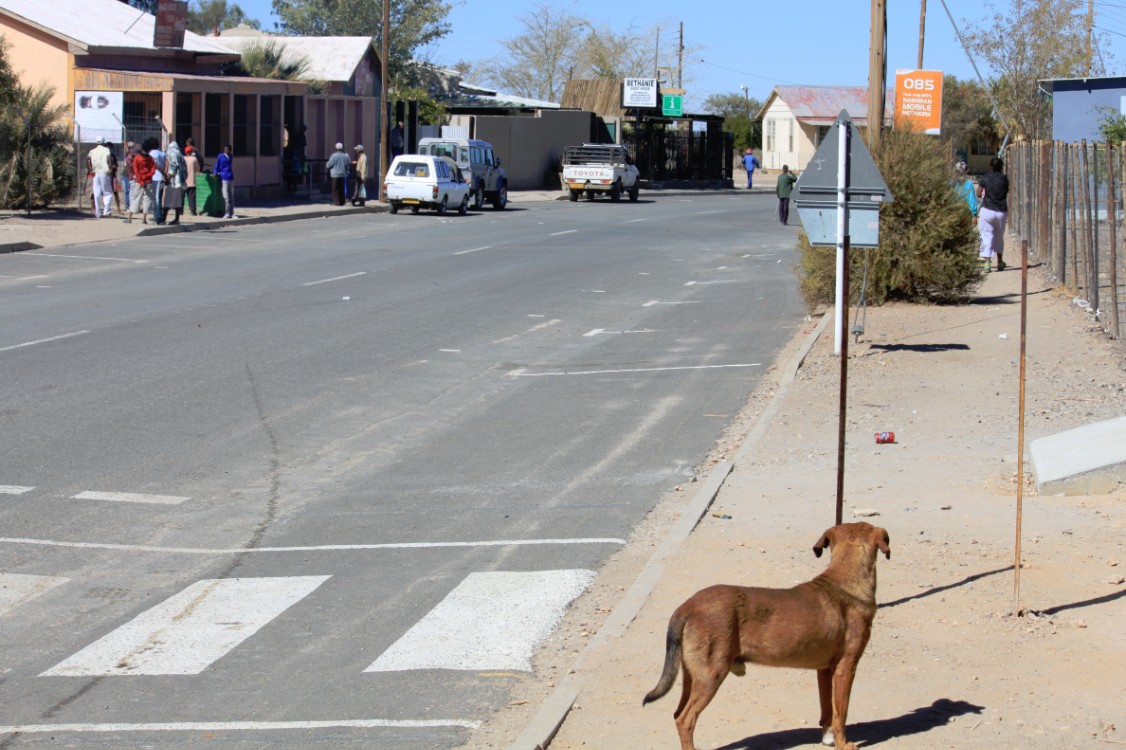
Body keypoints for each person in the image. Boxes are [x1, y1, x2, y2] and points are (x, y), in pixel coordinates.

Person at [976, 156, 1010, 272]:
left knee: (986, 235)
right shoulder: (1004, 179)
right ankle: (1000, 262)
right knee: (999, 236)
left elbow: (978, 193)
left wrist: (984, 193)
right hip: (1001, 210)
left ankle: (987, 262)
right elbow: (1006, 191)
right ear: (1001, 167)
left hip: (987, 210)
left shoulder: (985, 178)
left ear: (991, 166)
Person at [127, 142, 156, 224]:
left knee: (135, 198)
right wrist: (146, 177)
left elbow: (136, 170)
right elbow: (153, 171)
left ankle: (129, 218)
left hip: (139, 181)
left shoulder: (137, 158)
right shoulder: (151, 159)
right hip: (148, 181)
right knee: (147, 199)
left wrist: (140, 179)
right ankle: (144, 219)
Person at [87, 138, 114, 218]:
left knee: (97, 193)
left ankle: (97, 213)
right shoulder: (106, 150)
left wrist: (90, 169)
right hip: (104, 172)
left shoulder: (92, 151)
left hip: (96, 173)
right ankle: (106, 211)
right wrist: (110, 168)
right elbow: (109, 158)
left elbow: (87, 159)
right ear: (103, 142)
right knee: (107, 192)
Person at [163, 140, 186, 225]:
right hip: (179, 181)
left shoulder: (172, 154)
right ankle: (177, 219)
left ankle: (163, 218)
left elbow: (173, 166)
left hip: (173, 181)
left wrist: (168, 177)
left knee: (167, 200)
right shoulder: (180, 155)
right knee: (177, 201)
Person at [146, 138, 167, 225]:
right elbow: (166, 164)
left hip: (156, 178)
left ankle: (158, 217)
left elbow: (154, 165)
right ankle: (157, 216)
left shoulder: (152, 153)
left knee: (156, 198)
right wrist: (165, 174)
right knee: (158, 197)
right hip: (160, 178)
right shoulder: (162, 153)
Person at [213, 144, 235, 218]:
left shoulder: (231, 156)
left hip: (230, 177)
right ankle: (227, 212)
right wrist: (215, 172)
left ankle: (231, 213)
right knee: (226, 197)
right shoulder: (221, 156)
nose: (226, 150)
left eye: (227, 149)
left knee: (231, 197)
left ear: (230, 150)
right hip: (224, 177)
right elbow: (217, 165)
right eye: (225, 149)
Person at [183, 144, 201, 216]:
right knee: (192, 198)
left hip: (183, 181)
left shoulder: (182, 159)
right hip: (192, 182)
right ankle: (193, 211)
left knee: (182, 197)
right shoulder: (194, 159)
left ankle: (180, 211)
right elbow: (198, 169)